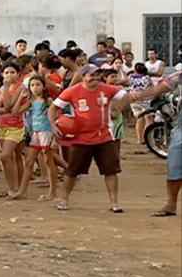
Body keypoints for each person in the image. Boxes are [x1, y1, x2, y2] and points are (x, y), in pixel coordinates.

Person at [50, 64, 131, 212]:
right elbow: (54, 107)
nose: (95, 78)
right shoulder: (73, 91)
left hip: (105, 137)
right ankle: (63, 200)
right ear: (83, 76)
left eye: (97, 74)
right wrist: (53, 125)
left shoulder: (107, 89)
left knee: (110, 171)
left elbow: (126, 96)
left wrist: (117, 109)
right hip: (81, 139)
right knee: (72, 171)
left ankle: (114, 203)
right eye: (91, 75)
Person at [131, 70, 181, 217]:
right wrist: (136, 96)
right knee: (175, 165)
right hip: (181, 127)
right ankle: (171, 204)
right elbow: (158, 89)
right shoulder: (178, 76)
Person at [13, 75, 58, 201]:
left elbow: (55, 117)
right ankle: (22, 191)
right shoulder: (31, 101)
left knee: (49, 162)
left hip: (46, 132)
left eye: (38, 85)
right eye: (32, 85)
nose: (35, 88)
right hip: (36, 133)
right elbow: (16, 112)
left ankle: (52, 193)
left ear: (43, 87)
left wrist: (54, 137)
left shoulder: (48, 101)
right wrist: (20, 98)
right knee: (29, 162)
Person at [0, 62, 29, 198]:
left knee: (5, 156)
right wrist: (5, 109)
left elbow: (9, 106)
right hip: (2, 125)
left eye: (12, 72)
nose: (9, 75)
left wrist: (7, 87)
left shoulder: (21, 88)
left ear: (18, 74)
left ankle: (15, 188)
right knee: (15, 157)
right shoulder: (3, 89)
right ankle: (15, 188)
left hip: (16, 126)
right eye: (6, 72)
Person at [129, 63, 153, 145]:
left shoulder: (131, 77)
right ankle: (147, 138)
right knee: (148, 119)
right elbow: (151, 88)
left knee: (139, 119)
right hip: (145, 100)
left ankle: (140, 139)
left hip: (134, 99)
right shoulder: (147, 77)